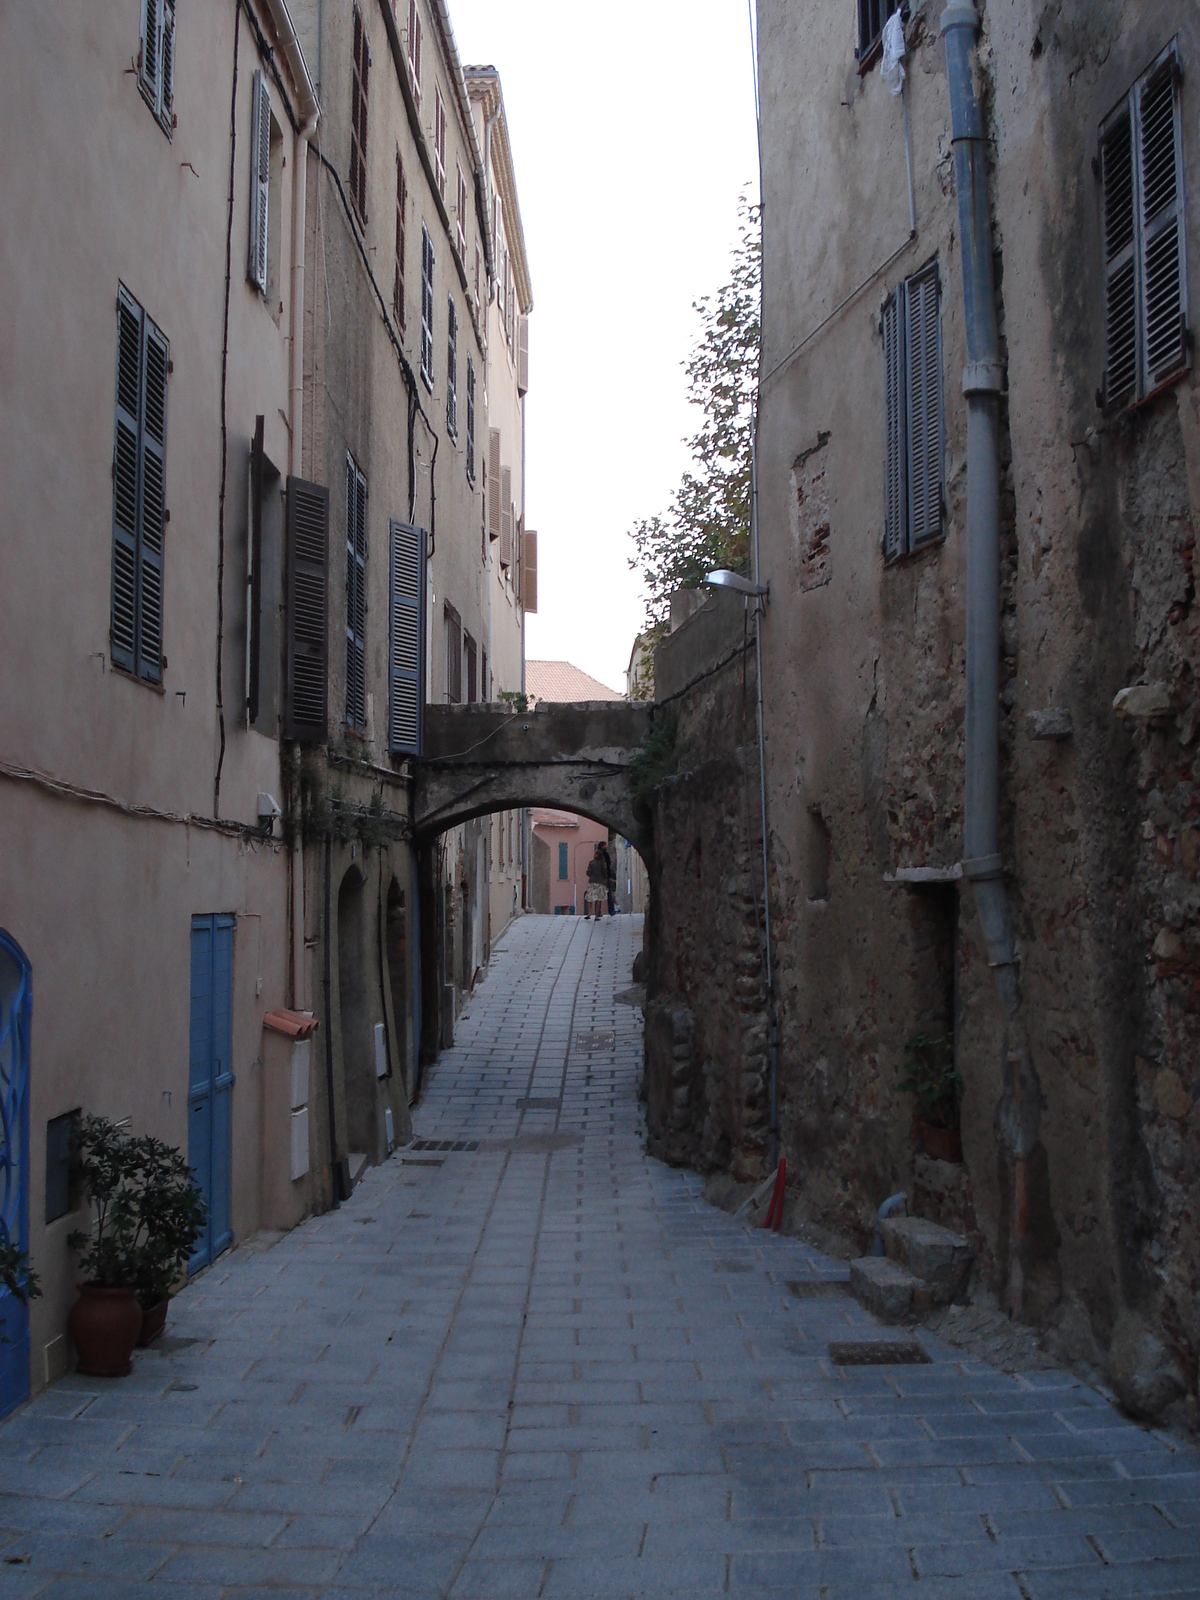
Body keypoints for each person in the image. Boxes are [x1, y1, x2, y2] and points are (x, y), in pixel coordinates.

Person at [584, 844, 607, 919]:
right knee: (598, 900)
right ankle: (596, 915)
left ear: (596, 855)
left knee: (589, 898)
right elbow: (605, 874)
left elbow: (589, 873)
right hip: (600, 883)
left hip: (592, 882)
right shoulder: (602, 864)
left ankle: (589, 913)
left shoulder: (592, 863)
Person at [602, 842, 616, 916]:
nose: (607, 846)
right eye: (605, 845)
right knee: (608, 893)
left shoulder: (599, 856)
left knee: (599, 895)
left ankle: (598, 912)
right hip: (605, 877)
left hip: (599, 878)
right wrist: (609, 876)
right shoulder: (605, 855)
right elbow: (608, 866)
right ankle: (611, 910)